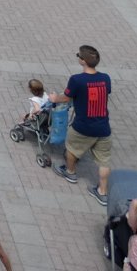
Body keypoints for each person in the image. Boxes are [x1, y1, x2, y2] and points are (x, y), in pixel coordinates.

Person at [50, 45, 112, 206]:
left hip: (83, 126)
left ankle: (70, 172)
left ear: (82, 61)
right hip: (103, 126)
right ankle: (102, 192)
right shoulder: (105, 78)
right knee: (104, 160)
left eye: (79, 55)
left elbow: (66, 97)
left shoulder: (77, 80)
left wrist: (54, 98)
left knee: (72, 148)